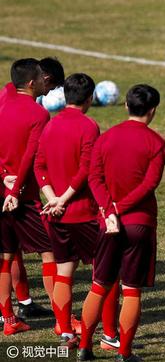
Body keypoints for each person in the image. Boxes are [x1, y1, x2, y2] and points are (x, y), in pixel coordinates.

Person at [79, 84, 165, 362]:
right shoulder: (157, 143)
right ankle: (124, 353)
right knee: (131, 290)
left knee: (98, 285)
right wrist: (121, 207)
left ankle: (84, 348)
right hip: (139, 224)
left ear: (127, 106)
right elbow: (149, 183)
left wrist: (109, 209)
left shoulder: (106, 139)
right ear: (152, 110)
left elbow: (94, 178)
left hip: (108, 223)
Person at [34, 73, 119, 349]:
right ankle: (109, 336)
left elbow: (39, 166)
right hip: (83, 213)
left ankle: (66, 334)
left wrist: (52, 198)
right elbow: (87, 169)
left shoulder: (50, 124)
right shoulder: (89, 126)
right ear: (90, 98)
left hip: (56, 215)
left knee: (63, 272)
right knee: (105, 274)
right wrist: (65, 198)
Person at [0, 56, 64, 323]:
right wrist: (15, 192)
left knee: (6, 253)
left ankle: (9, 318)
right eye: (40, 79)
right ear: (33, 82)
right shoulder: (38, 113)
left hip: (2, 189)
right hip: (22, 196)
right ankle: (64, 323)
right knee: (49, 250)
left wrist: (3, 176)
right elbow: (30, 156)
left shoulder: (4, 100)